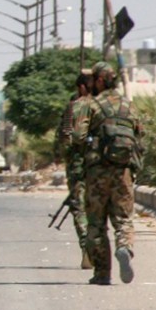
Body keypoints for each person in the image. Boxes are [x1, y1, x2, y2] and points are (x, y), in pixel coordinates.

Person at [72, 61, 144, 286]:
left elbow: (77, 136)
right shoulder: (128, 106)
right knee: (123, 219)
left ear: (100, 80)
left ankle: (102, 273)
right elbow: (140, 139)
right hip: (122, 172)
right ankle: (124, 247)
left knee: (96, 223)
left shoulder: (91, 105)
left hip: (97, 173)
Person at [54, 72, 95, 270]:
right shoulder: (105, 105)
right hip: (105, 167)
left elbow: (64, 139)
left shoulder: (74, 106)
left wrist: (65, 158)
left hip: (79, 166)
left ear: (80, 87)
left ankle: (88, 248)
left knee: (79, 207)